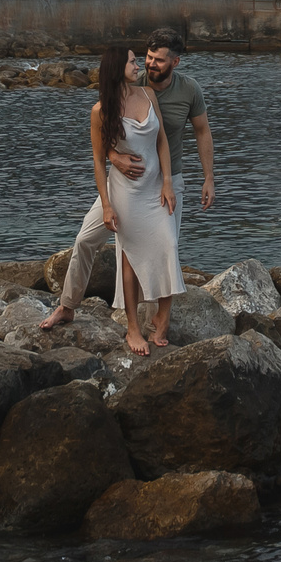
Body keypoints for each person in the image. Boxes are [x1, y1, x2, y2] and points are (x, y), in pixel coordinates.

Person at [41, 31, 217, 332]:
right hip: (123, 183)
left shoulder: (188, 90)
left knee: (164, 249)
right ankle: (67, 306)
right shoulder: (134, 80)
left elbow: (202, 132)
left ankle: (152, 325)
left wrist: (209, 178)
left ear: (175, 61)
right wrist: (114, 156)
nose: (149, 64)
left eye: (158, 60)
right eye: (146, 58)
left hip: (166, 180)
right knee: (86, 239)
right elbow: (104, 127)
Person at [90, 43, 180, 353]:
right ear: (117, 68)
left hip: (154, 189)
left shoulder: (148, 95)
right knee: (128, 261)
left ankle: (162, 317)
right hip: (126, 194)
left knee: (168, 244)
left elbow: (162, 142)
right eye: (131, 62)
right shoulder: (101, 111)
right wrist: (106, 204)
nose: (138, 65)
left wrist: (167, 183)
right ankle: (132, 329)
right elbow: (99, 160)